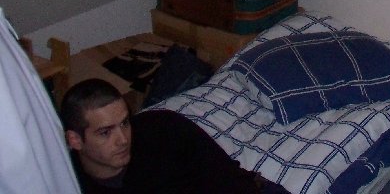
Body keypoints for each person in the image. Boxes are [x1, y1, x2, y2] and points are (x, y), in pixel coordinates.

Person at [61, 78, 289, 194]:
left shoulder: (164, 130)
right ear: (75, 140)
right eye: (105, 132)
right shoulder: (63, 181)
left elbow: (229, 181)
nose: (122, 139)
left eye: (124, 123)